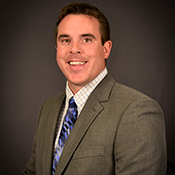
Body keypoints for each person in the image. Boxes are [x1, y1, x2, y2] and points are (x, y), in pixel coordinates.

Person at [22, 2, 167, 175]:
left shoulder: (138, 111)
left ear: (106, 49)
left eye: (86, 39)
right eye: (66, 40)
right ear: (57, 49)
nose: (74, 49)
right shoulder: (48, 109)